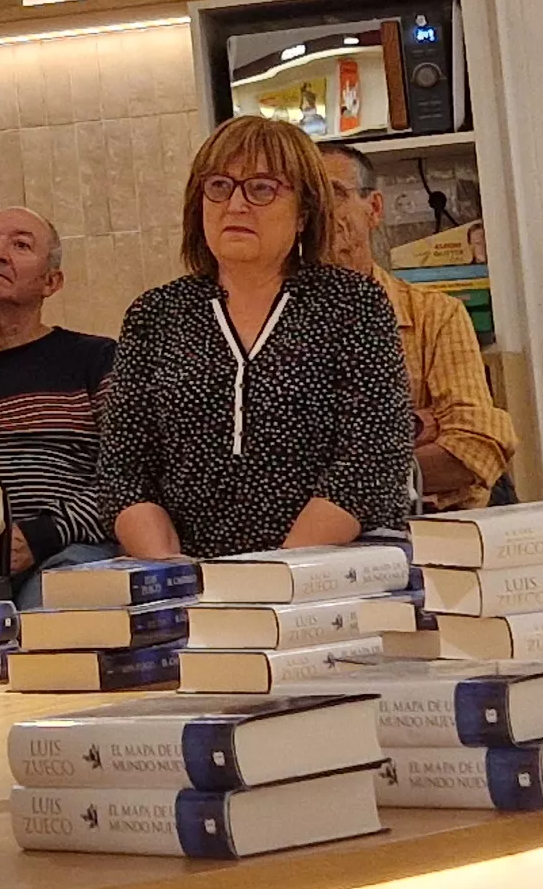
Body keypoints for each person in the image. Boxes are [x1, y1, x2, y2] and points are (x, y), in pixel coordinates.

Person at [90, 116, 414, 562]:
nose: (236, 205)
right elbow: (124, 472)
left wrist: (273, 575)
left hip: (331, 568)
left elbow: (371, 459)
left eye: (262, 189)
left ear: (304, 213)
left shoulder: (352, 303)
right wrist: (174, 569)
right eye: (219, 187)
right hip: (192, 578)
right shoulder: (156, 315)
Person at [0, 207, 118, 605]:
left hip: (69, 552)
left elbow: (126, 477)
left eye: (21, 245)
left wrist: (43, 534)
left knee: (59, 599)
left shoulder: (96, 360)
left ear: (52, 281)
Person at [316, 144, 515, 512]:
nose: (320, 211)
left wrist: (334, 479)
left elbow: (478, 445)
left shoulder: (435, 314)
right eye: (306, 198)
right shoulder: (274, 323)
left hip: (434, 534)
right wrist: (414, 433)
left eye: (335, 194)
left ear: (374, 209)